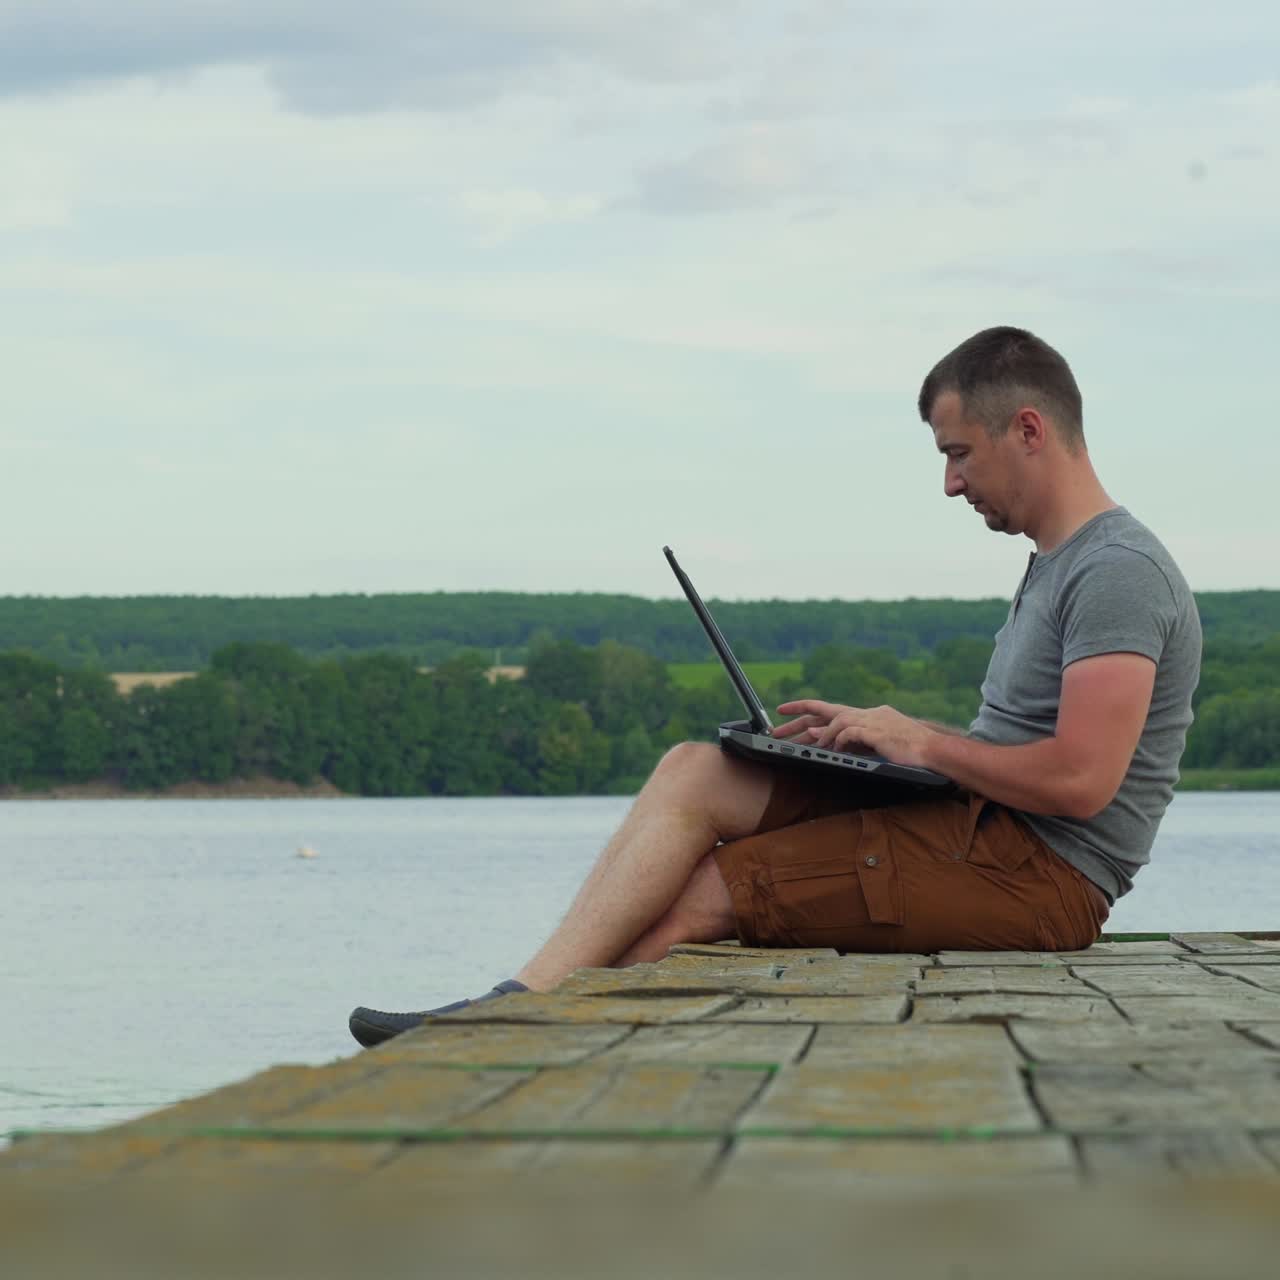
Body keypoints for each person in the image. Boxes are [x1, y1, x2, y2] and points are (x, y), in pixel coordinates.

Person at [349, 326, 1202, 1048]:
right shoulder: (1058, 566)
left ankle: (509, 1048)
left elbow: (1082, 783)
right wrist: (881, 742)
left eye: (957, 454)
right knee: (698, 771)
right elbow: (1023, 749)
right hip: (978, 829)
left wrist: (923, 743)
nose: (949, 482)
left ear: (1027, 429)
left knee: (702, 897)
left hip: (1045, 879)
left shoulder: (1117, 572)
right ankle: (512, 1002)